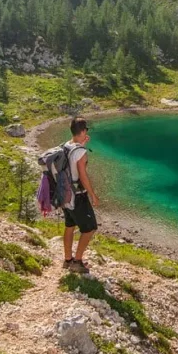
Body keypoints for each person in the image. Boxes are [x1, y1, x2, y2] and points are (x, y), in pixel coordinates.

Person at [62, 116, 99, 273]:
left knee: (70, 225)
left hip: (65, 193)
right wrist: (93, 195)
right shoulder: (81, 152)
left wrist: (82, 144)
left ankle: (67, 259)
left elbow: (71, 161)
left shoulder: (67, 145)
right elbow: (83, 176)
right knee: (89, 228)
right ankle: (77, 261)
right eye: (86, 130)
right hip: (78, 196)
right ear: (83, 131)